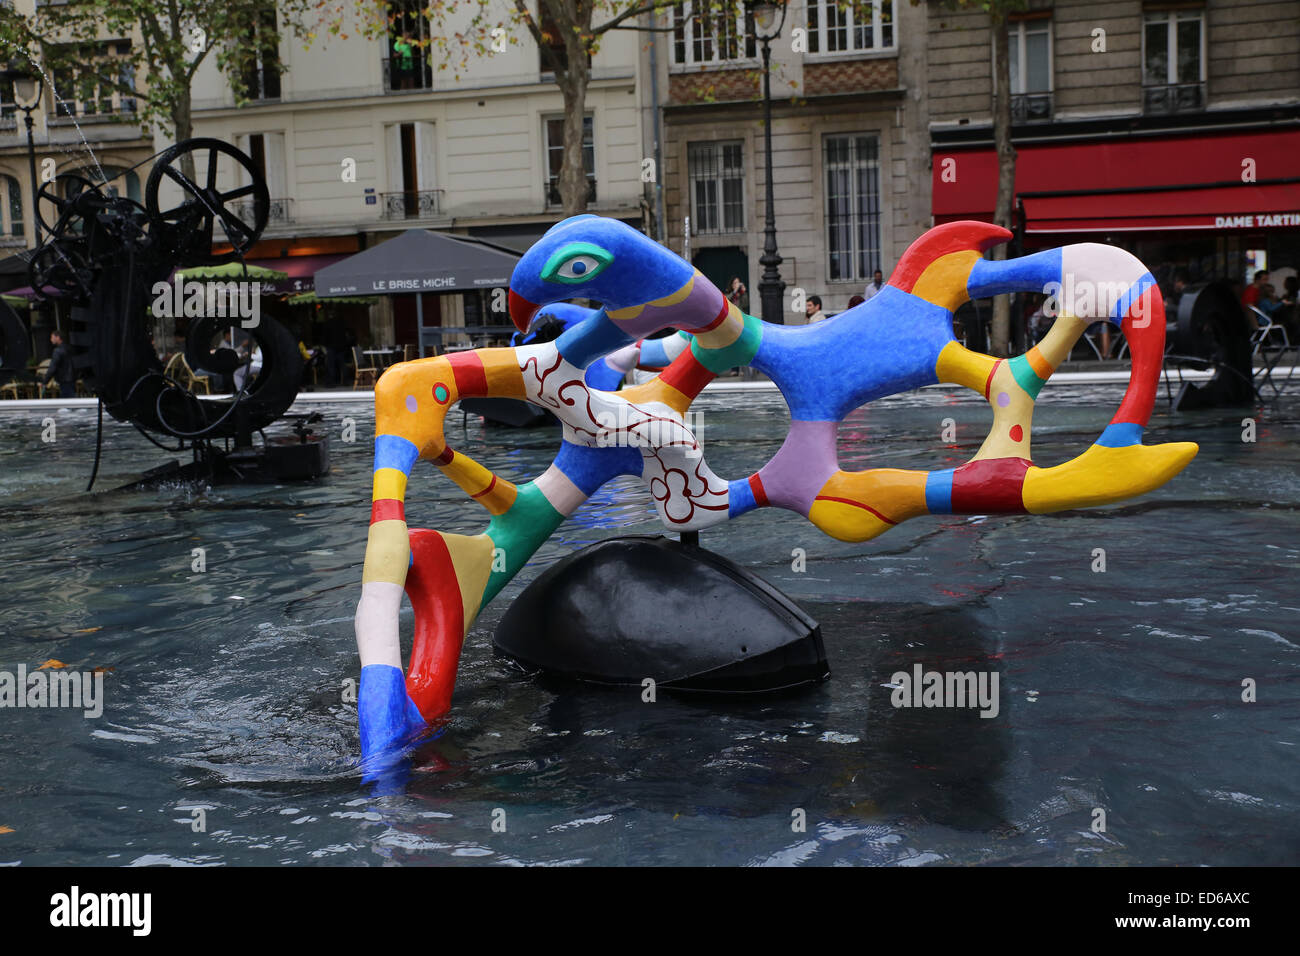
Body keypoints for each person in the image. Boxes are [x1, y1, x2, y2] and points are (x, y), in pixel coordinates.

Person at [42, 329, 76, 398]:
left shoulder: (58, 351)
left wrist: (45, 381)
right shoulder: (69, 348)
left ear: (58, 337)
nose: (51, 339)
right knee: (71, 399)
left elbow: (52, 367)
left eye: (52, 337)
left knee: (68, 399)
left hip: (64, 379)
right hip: (72, 377)